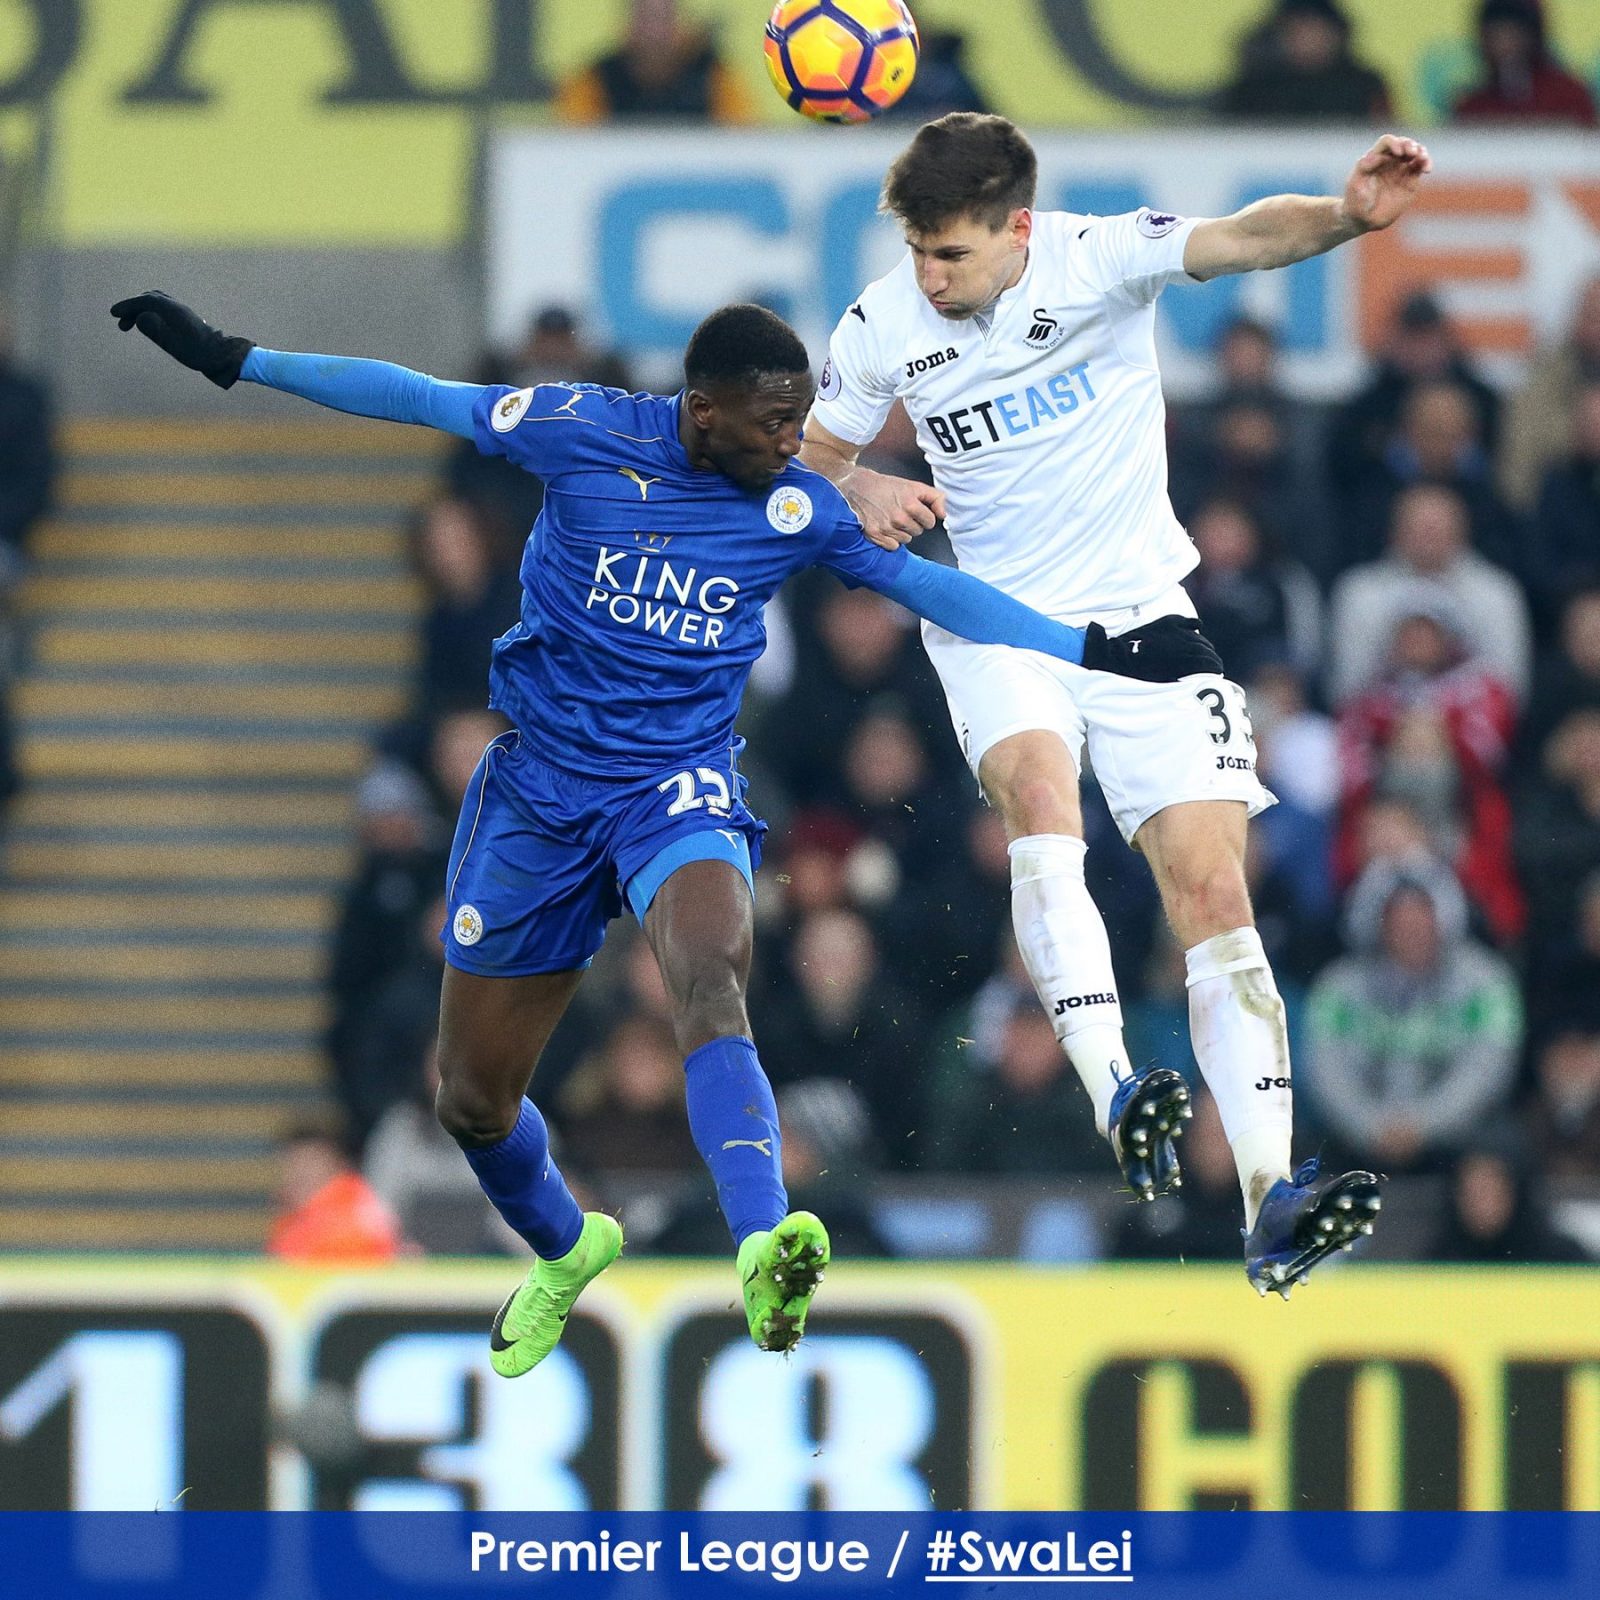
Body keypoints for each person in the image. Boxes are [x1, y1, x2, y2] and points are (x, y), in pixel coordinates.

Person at [112, 289, 1179, 1372]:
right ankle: (565, 1249)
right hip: (540, 793)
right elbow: (419, 396)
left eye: (801, 419)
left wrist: (1092, 648)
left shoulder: (794, 507)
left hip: (675, 784)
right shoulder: (580, 430)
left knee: (709, 972)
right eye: (774, 422)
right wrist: (238, 358)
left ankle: (763, 1242)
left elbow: (931, 587)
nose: (795, 442)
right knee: (472, 1102)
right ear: (702, 411)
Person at [798, 113, 1433, 1295]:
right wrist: (863, 479)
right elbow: (802, 460)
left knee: (1213, 892)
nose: (929, 276)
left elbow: (1245, 238)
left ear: (1019, 229)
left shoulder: (1100, 256)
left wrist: (1348, 216)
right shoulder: (882, 324)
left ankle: (1271, 1197)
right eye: (919, 252)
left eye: (950, 254)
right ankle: (1112, 1084)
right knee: (1044, 803)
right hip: (995, 620)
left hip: (1140, 615)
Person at [1216, 0, 1392, 123]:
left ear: (1336, 33)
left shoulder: (1364, 86)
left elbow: (1384, 135)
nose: (1306, 39)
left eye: (1314, 29)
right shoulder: (1254, 90)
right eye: (1297, 30)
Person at [1450, 0, 1598, 128]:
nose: (1504, 44)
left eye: (1513, 33)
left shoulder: (1569, 96)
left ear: (1534, 36)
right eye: (1495, 34)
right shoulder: (1473, 107)